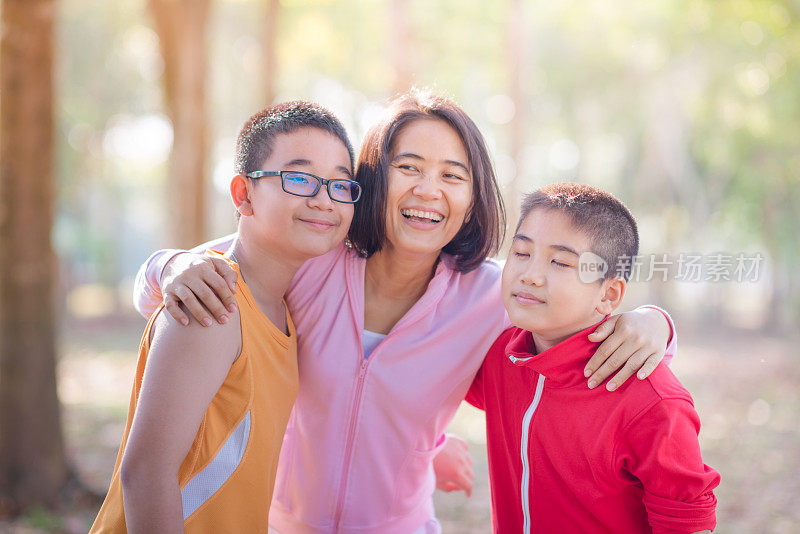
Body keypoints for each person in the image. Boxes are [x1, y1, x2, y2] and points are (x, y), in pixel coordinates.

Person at [133, 89, 677, 533]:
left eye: (452, 175)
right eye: (408, 167)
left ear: (471, 199)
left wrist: (657, 323)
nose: (428, 190)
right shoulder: (314, 260)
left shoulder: (494, 296)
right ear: (374, 180)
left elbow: (581, 338)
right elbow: (177, 277)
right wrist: (171, 265)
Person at [91, 101, 359, 532]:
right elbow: (145, 473)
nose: (324, 199)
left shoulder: (282, 312)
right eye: (299, 178)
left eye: (340, 185)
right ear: (244, 194)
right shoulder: (212, 302)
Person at [467, 182, 719, 533]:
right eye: (522, 253)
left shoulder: (652, 402)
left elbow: (689, 526)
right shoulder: (500, 359)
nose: (530, 275)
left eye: (560, 261)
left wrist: (658, 320)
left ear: (609, 293)